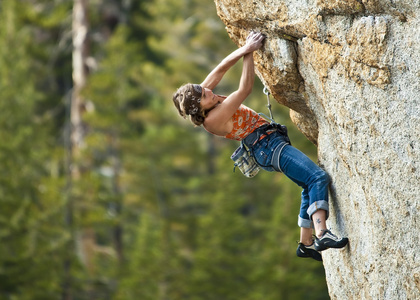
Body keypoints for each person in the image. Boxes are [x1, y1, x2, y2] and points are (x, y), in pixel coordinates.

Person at [172, 31, 348, 261]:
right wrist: (249, 52)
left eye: (204, 89)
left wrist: (245, 48)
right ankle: (322, 233)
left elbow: (222, 68)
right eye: (205, 94)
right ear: (199, 108)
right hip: (266, 147)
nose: (210, 91)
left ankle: (306, 244)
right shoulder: (212, 120)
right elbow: (243, 90)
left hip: (269, 143)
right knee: (317, 178)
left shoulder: (204, 98)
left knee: (307, 185)